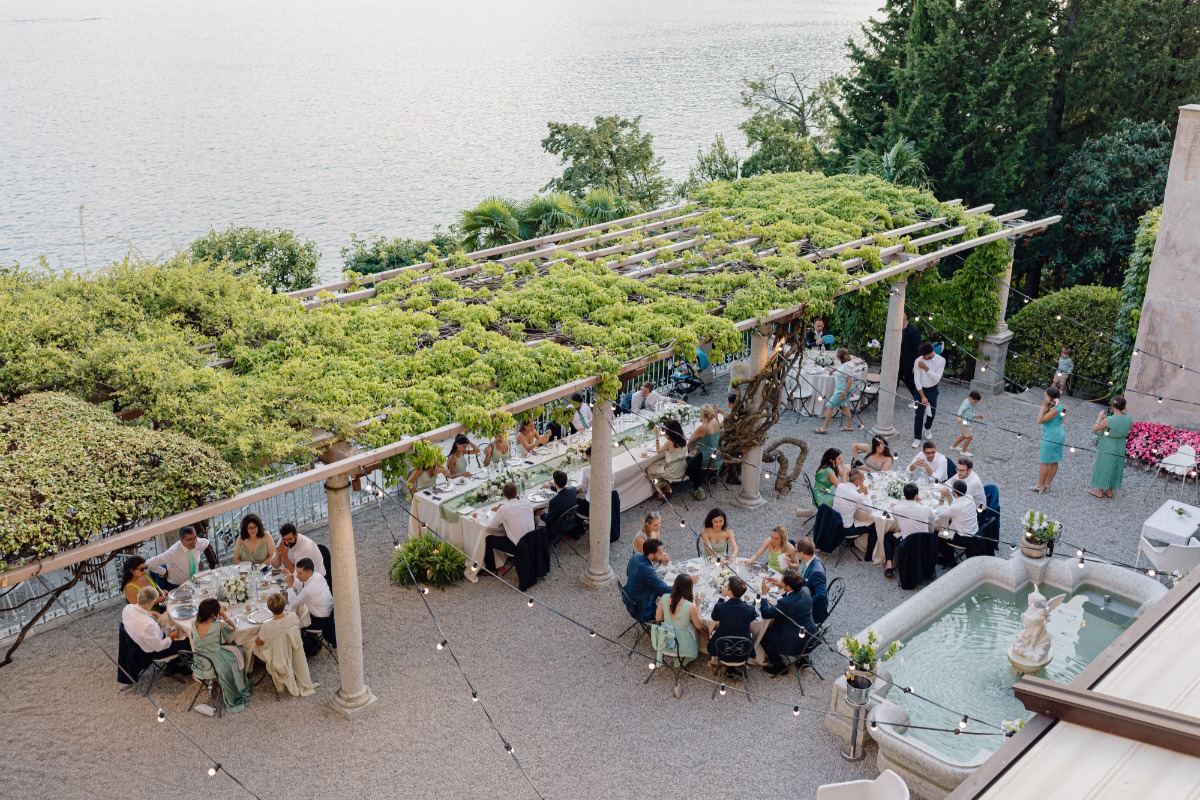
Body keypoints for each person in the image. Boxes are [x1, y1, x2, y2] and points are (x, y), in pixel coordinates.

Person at [191, 598, 252, 713]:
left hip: (199, 661)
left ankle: (215, 683)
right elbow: (234, 628)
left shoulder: (195, 623)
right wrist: (224, 615)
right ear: (214, 613)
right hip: (214, 662)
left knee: (234, 651)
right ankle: (236, 683)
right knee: (238, 651)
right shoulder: (218, 625)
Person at [254, 592, 318, 697]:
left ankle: (250, 670)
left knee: (251, 645)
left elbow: (258, 642)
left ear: (269, 608)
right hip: (292, 648)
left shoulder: (267, 626)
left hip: (276, 653)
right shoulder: (293, 616)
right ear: (284, 604)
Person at [759, 571, 818, 675]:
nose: (780, 582)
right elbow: (792, 597)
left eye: (782, 581)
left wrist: (764, 594)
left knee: (763, 636)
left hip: (795, 642)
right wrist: (781, 585)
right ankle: (803, 659)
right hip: (811, 635)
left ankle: (779, 666)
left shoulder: (785, 603)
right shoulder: (806, 590)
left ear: (789, 587)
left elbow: (765, 613)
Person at [653, 574, 707, 666]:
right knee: (692, 624)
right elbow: (699, 625)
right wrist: (698, 605)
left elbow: (658, 618)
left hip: (665, 641)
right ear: (689, 588)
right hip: (682, 645)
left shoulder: (664, 597)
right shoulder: (690, 606)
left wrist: (669, 617)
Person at [121, 585, 187, 660]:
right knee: (187, 642)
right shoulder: (148, 625)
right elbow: (159, 647)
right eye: (153, 602)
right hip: (156, 651)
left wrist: (147, 613)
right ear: (149, 603)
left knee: (169, 623)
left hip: (140, 641)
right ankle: (180, 664)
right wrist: (171, 637)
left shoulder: (127, 608)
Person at [483, 483, 535, 575]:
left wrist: (495, 511)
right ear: (516, 493)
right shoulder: (527, 502)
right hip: (532, 540)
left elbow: (492, 525)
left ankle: (491, 569)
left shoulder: (504, 509)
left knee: (488, 539)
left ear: (504, 495)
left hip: (518, 546)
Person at [884, 483, 934, 578]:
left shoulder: (897, 508)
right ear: (916, 496)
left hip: (908, 544)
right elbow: (933, 519)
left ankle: (889, 565)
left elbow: (895, 519)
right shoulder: (925, 509)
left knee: (887, 536)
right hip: (924, 543)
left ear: (904, 495)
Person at [625, 539, 679, 622]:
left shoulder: (635, 556)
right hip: (643, 608)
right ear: (650, 556)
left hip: (629, 597)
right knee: (675, 603)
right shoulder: (647, 570)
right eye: (660, 553)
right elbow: (665, 591)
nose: (662, 554)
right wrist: (681, 583)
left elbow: (628, 573)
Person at [145, 525, 213, 591]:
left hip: (195, 582)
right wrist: (163, 572)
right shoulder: (172, 553)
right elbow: (149, 563)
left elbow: (206, 542)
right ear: (181, 540)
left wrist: (198, 554)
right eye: (190, 540)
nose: (194, 542)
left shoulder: (199, 543)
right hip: (178, 587)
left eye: (195, 538)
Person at [1090, 396, 1133, 499]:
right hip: (1120, 444)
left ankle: (1099, 491)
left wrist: (1099, 417)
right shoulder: (1128, 417)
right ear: (1123, 406)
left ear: (1113, 406)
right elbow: (1131, 428)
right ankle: (1109, 491)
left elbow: (1095, 429)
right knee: (1115, 465)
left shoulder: (1109, 420)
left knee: (1104, 464)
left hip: (1109, 443)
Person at [707, 575, 757, 657]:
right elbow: (752, 618)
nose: (725, 588)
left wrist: (722, 596)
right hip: (743, 650)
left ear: (730, 592)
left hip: (721, 648)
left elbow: (714, 617)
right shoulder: (750, 609)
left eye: (726, 587)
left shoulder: (720, 607)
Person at [834, 469, 877, 555]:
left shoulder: (840, 486)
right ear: (857, 481)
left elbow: (850, 495)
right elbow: (870, 510)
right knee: (875, 526)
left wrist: (859, 492)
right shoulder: (857, 496)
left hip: (834, 523)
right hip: (846, 529)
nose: (863, 480)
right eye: (862, 479)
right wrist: (867, 494)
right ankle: (869, 553)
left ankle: (852, 542)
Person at [814, 349, 856, 434]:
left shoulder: (846, 367)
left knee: (829, 405)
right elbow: (841, 367)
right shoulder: (847, 363)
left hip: (842, 390)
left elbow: (850, 381)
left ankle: (825, 427)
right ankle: (849, 426)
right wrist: (833, 371)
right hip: (846, 388)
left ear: (839, 357)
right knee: (844, 406)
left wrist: (844, 393)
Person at [1035, 386, 1068, 493]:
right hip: (1059, 433)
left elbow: (1039, 420)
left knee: (1044, 461)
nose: (1044, 396)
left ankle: (1040, 486)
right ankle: (1047, 485)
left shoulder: (1055, 409)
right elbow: (1064, 416)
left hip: (1052, 436)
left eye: (1046, 395)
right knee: (1054, 460)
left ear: (1052, 398)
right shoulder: (1061, 406)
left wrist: (1044, 405)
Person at [912, 342, 945, 448]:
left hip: (932, 389)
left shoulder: (941, 360)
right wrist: (922, 396)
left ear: (931, 352)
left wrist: (926, 368)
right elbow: (916, 380)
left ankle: (927, 428)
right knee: (919, 413)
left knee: (932, 413)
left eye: (925, 356)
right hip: (920, 390)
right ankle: (917, 437)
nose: (923, 358)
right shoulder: (918, 361)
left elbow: (937, 378)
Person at [647, 419, 688, 500]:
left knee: (649, 470)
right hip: (683, 470)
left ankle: (660, 493)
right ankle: (667, 486)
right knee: (660, 463)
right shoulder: (682, 438)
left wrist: (657, 436)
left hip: (673, 472)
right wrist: (665, 435)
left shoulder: (669, 442)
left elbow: (658, 451)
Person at [685, 405, 723, 489]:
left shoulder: (702, 428)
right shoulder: (715, 422)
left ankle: (690, 480)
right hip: (718, 457)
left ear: (702, 414)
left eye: (700, 413)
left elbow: (689, 441)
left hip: (707, 460)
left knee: (687, 460)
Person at [794, 537, 828, 624]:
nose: (795, 552)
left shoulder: (816, 572)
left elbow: (822, 594)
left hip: (813, 611)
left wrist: (804, 602)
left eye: (796, 551)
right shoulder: (813, 560)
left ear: (802, 553)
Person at [935, 479, 979, 546]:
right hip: (974, 531)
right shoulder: (970, 497)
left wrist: (942, 496)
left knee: (936, 533)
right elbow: (953, 505)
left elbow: (940, 514)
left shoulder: (956, 507)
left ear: (953, 491)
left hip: (963, 538)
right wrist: (948, 495)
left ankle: (946, 555)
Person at [540, 470, 578, 536]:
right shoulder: (573, 489)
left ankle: (542, 538)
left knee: (537, 515)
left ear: (554, 482)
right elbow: (563, 490)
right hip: (571, 521)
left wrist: (541, 514)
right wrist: (549, 487)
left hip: (558, 527)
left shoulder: (554, 501)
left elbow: (549, 520)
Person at [951, 390, 984, 457]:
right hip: (964, 422)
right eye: (975, 402)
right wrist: (959, 416)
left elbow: (968, 413)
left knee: (964, 435)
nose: (975, 403)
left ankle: (954, 446)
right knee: (969, 437)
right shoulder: (966, 403)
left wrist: (977, 416)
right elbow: (961, 409)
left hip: (965, 421)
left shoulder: (968, 402)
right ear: (971, 398)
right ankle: (963, 451)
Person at [898, 314, 922, 402]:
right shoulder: (898, 330)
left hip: (909, 362)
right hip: (899, 361)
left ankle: (917, 399)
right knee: (895, 379)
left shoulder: (913, 331)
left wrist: (915, 365)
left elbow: (918, 349)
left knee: (910, 381)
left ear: (904, 320)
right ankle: (889, 397)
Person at [576, 446, 592, 515]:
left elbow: (584, 489)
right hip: (606, 501)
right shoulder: (609, 467)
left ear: (590, 456)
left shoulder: (587, 470)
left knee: (574, 499)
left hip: (590, 505)